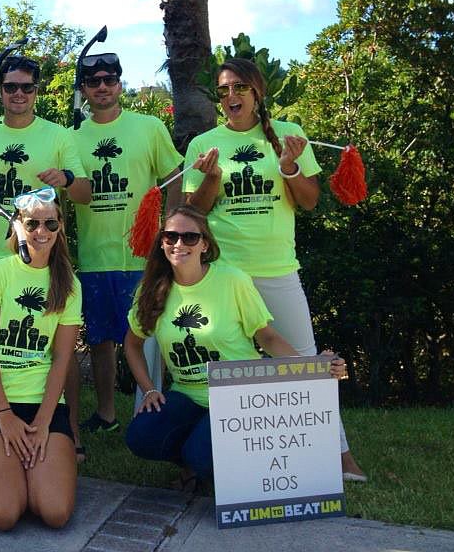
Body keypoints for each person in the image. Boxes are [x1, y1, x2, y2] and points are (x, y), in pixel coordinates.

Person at [183, 57, 366, 481]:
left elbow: (308, 200)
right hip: (224, 274)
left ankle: (338, 456)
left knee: (304, 361)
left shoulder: (290, 135)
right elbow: (195, 213)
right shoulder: (202, 145)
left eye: (240, 88)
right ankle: (217, 461)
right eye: (224, 90)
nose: (231, 96)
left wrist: (288, 165)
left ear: (257, 92)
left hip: (278, 269)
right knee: (226, 365)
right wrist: (210, 177)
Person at [123, 206, 349, 489]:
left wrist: (312, 367)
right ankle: (196, 459)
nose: (179, 244)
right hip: (188, 395)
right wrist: (150, 389)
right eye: (170, 237)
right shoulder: (153, 289)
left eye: (190, 237)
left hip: (238, 395)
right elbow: (132, 344)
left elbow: (267, 338)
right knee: (140, 437)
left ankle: (211, 461)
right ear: (162, 242)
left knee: (201, 456)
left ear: (205, 244)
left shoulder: (232, 280)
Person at [0, 54, 90, 452]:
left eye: (26, 87)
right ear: (1, 90)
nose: (18, 94)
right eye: (10, 87)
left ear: (37, 91)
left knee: (56, 348)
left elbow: (84, 193)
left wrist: (66, 178)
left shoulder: (58, 137)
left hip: (46, 257)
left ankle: (68, 427)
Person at [70, 52, 182, 438]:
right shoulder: (72, 135)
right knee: (101, 339)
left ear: (119, 84)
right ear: (84, 89)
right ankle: (106, 413)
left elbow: (175, 176)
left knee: (149, 337)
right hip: (94, 254)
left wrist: (173, 228)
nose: (102, 86)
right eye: (94, 81)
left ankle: (147, 409)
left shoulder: (149, 127)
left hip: (144, 256)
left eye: (110, 79)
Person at [0, 187, 81, 530]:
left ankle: (23, 470)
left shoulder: (69, 284)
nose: (42, 232)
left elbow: (62, 356)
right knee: (5, 515)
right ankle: (0, 469)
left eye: (50, 224)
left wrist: (45, 421)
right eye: (32, 223)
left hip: (43, 405)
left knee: (55, 512)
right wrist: (4, 416)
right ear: (18, 225)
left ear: (60, 226)